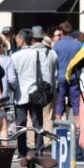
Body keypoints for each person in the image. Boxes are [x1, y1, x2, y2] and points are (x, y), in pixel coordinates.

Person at [11, 27, 57, 158]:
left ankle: (22, 150)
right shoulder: (38, 54)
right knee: (38, 123)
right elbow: (45, 74)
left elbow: (12, 77)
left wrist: (14, 88)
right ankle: (39, 148)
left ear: (21, 39)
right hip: (36, 92)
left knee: (21, 124)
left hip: (20, 94)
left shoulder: (14, 56)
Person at [52, 21, 81, 120]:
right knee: (76, 102)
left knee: (59, 102)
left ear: (61, 31)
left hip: (60, 76)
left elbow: (54, 62)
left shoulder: (57, 45)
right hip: (73, 75)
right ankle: (78, 126)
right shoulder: (78, 45)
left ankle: (58, 125)